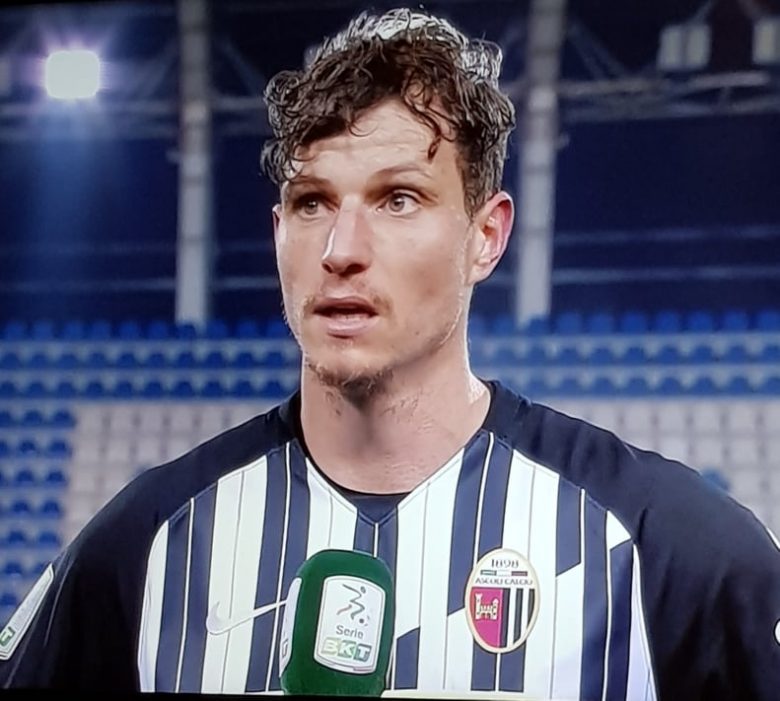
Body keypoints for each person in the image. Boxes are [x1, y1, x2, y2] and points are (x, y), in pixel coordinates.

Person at [1, 7, 779, 699]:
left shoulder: (664, 545)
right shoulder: (143, 542)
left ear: (486, 236)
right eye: (312, 203)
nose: (341, 249)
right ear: (278, 233)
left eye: (397, 198)